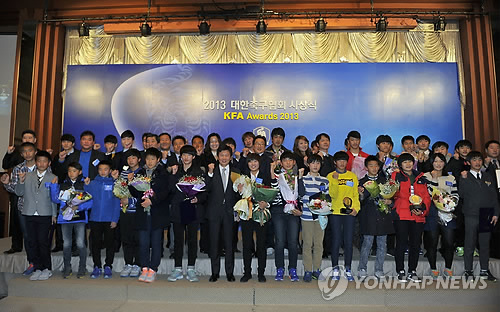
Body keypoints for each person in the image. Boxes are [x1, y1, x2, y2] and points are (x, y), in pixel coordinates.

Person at [128, 148, 170, 283]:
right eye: (148, 158)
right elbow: (135, 193)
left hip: (157, 213)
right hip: (142, 213)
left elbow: (166, 193)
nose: (150, 161)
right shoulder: (140, 172)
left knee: (156, 243)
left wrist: (152, 201)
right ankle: (144, 267)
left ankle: (153, 269)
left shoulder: (163, 173)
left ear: (158, 159)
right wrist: (130, 183)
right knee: (143, 242)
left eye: (153, 159)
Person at [15, 150, 57, 281]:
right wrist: (21, 181)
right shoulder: (27, 176)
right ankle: (37, 267)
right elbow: (19, 192)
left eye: (45, 161)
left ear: (49, 163)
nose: (42, 163)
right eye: (39, 161)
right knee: (32, 242)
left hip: (45, 213)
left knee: (43, 242)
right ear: (35, 162)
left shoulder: (53, 177)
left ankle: (47, 268)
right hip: (29, 212)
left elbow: (53, 198)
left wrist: (54, 214)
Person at [168, 145, 207, 282]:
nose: (186, 157)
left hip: (192, 208)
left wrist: (198, 198)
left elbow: (205, 191)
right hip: (178, 208)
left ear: (193, 157)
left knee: (191, 240)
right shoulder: (175, 171)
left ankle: (191, 268)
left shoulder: (199, 172)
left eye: (189, 155)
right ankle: (177, 268)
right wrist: (173, 175)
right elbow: (170, 189)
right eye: (183, 155)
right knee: (178, 240)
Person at [48, 162, 93, 279]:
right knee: (66, 244)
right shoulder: (63, 184)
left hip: (79, 217)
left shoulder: (84, 184)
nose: (71, 173)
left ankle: (82, 268)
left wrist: (79, 207)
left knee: (80, 243)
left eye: (74, 171)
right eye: (69, 171)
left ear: (80, 172)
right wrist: (53, 187)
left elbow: (90, 201)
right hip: (65, 218)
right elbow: (56, 199)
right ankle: (67, 268)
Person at [459, 151, 499, 281]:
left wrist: (496, 213)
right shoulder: (464, 176)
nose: (477, 162)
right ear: (468, 162)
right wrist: (463, 179)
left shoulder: (488, 176)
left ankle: (484, 270)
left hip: (486, 214)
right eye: (474, 160)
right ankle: (468, 271)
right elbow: (462, 194)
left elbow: (494, 196)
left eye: (479, 160)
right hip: (471, 214)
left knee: (484, 244)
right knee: (469, 243)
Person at [391, 153, 431, 283]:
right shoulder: (396, 176)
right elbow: (395, 195)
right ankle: (400, 270)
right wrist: (410, 206)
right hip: (402, 214)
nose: (408, 164)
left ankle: (412, 270)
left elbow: (426, 196)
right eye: (405, 162)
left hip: (418, 215)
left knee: (415, 244)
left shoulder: (421, 177)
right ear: (400, 164)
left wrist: (422, 209)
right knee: (401, 243)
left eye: (410, 161)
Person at [1, 142, 39, 272]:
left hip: (41, 207)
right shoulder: (18, 168)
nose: (28, 153)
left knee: (40, 236)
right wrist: (7, 184)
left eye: (30, 151)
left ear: (35, 152)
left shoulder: (43, 166)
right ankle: (32, 262)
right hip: (23, 206)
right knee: (27, 235)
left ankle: (42, 262)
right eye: (25, 152)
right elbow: (16, 189)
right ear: (22, 154)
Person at [206, 145, 240, 282]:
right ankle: (215, 273)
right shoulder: (211, 171)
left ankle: (229, 272)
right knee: (214, 243)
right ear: (217, 157)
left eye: (227, 155)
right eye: (221, 155)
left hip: (229, 212)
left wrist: (241, 191)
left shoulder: (236, 172)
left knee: (229, 243)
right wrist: (209, 173)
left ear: (230, 157)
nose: (224, 158)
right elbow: (205, 189)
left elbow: (239, 195)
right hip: (214, 212)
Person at [357, 155, 394, 280]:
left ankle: (379, 269)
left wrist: (390, 202)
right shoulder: (361, 182)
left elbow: (392, 198)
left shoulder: (385, 181)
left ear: (379, 167)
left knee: (382, 244)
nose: (374, 168)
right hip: (368, 217)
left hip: (383, 216)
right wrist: (361, 194)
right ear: (366, 167)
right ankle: (362, 268)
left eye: (376, 165)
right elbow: (360, 202)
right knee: (367, 243)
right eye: (371, 165)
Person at [422, 153, 457, 279]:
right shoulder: (425, 176)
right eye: (435, 161)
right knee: (432, 242)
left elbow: (455, 194)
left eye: (441, 161)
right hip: (431, 212)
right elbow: (427, 193)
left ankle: (448, 268)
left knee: (449, 241)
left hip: (447, 213)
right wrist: (434, 179)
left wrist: (451, 203)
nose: (438, 164)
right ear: (431, 162)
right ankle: (433, 268)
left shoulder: (450, 177)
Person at [327, 151, 360, 281]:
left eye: (344, 160)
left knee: (348, 241)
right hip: (335, 212)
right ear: (335, 162)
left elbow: (355, 195)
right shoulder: (330, 176)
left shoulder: (352, 176)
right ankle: (335, 268)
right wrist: (335, 181)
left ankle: (348, 268)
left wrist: (356, 208)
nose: (342, 163)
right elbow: (332, 194)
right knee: (336, 240)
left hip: (349, 213)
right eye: (339, 160)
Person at [84, 160, 121, 279]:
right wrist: (86, 185)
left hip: (109, 219)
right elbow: (86, 197)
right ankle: (97, 266)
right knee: (95, 244)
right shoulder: (93, 183)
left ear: (110, 171)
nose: (103, 171)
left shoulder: (115, 183)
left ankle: (108, 265)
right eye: (100, 169)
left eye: (106, 169)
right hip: (95, 218)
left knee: (110, 243)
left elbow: (117, 202)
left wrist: (115, 219)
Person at [239, 153, 271, 283]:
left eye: (255, 161)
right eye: (250, 161)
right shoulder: (243, 178)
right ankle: (247, 272)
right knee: (247, 244)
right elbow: (237, 196)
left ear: (259, 162)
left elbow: (271, 193)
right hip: (247, 214)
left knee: (261, 244)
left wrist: (266, 202)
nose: (253, 164)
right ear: (247, 164)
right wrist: (239, 191)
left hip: (261, 213)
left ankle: (261, 272)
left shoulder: (266, 176)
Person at [270, 151, 302, 282]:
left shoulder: (298, 176)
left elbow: (302, 195)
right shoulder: (278, 176)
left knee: (293, 242)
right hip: (278, 211)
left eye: (290, 160)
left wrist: (300, 209)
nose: (288, 163)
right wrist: (272, 170)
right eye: (285, 160)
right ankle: (280, 269)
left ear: (294, 162)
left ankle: (293, 269)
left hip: (294, 212)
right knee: (280, 241)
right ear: (281, 163)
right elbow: (272, 188)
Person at [298, 153, 328, 282]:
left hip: (320, 217)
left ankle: (317, 269)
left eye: (318, 163)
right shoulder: (304, 179)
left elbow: (326, 198)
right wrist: (299, 178)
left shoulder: (325, 180)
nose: (315, 165)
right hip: (307, 216)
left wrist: (324, 208)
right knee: (307, 244)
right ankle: (308, 270)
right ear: (308, 164)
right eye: (313, 163)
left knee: (319, 244)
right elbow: (300, 195)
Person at [445, 139, 472, 257]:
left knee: (471, 223)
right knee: (459, 222)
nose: (465, 150)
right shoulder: (454, 160)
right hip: (458, 196)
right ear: (457, 150)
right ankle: (459, 245)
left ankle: (471, 246)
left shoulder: (474, 160)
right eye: (462, 147)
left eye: (467, 147)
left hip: (472, 196)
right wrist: (455, 160)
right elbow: (446, 172)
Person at [118, 149, 142, 278]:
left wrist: (131, 200)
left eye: (133, 158)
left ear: (138, 159)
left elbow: (145, 194)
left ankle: (137, 264)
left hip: (138, 211)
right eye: (128, 158)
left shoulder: (143, 173)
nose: (131, 160)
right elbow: (119, 190)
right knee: (126, 238)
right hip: (125, 211)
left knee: (137, 238)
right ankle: (128, 263)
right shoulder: (123, 173)